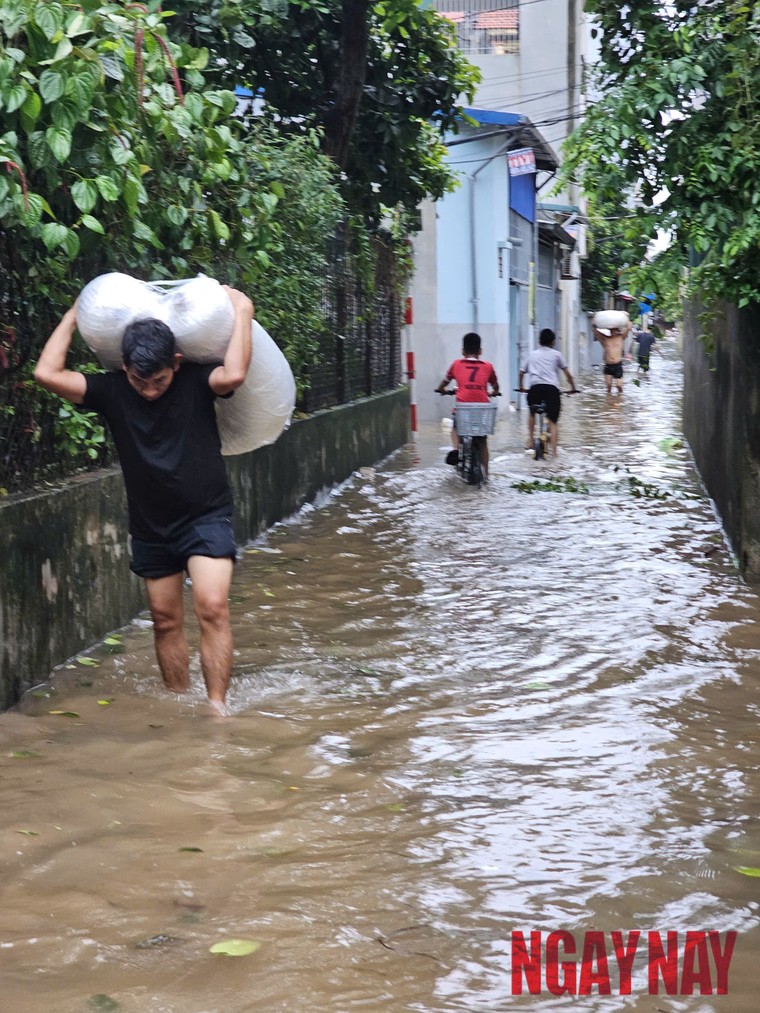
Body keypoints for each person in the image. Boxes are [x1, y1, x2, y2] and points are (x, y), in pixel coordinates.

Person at [34, 287, 255, 717]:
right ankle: (177, 703)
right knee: (164, 618)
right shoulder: (111, 391)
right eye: (140, 380)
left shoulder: (194, 381)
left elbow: (233, 374)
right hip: (152, 524)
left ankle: (216, 708)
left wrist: (242, 309)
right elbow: (46, 372)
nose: (150, 390)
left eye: (158, 380)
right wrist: (75, 314)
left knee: (211, 606)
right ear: (124, 367)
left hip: (206, 515)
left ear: (175, 363)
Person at [435, 331, 500, 477]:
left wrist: (442, 390)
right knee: (482, 441)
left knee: (455, 426)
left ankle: (456, 448)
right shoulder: (488, 366)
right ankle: (487, 474)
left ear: (462, 351)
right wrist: (493, 392)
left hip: (463, 407)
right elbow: (496, 387)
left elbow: (444, 383)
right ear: (480, 351)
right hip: (483, 408)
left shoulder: (456, 364)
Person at [518, 328, 577, 457]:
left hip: (535, 389)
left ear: (539, 341)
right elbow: (567, 374)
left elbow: (522, 372)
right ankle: (555, 453)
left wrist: (521, 386)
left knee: (532, 411)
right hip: (552, 390)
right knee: (553, 422)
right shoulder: (557, 355)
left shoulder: (532, 354)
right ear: (553, 342)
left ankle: (530, 439)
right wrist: (573, 387)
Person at [593, 318, 631, 394]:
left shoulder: (621, 337)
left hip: (618, 365)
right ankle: (609, 401)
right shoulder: (606, 338)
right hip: (608, 365)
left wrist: (627, 319)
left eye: (613, 330)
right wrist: (593, 323)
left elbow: (628, 328)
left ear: (617, 330)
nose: (612, 331)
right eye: (610, 330)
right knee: (608, 386)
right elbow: (595, 332)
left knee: (619, 386)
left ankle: (620, 399)